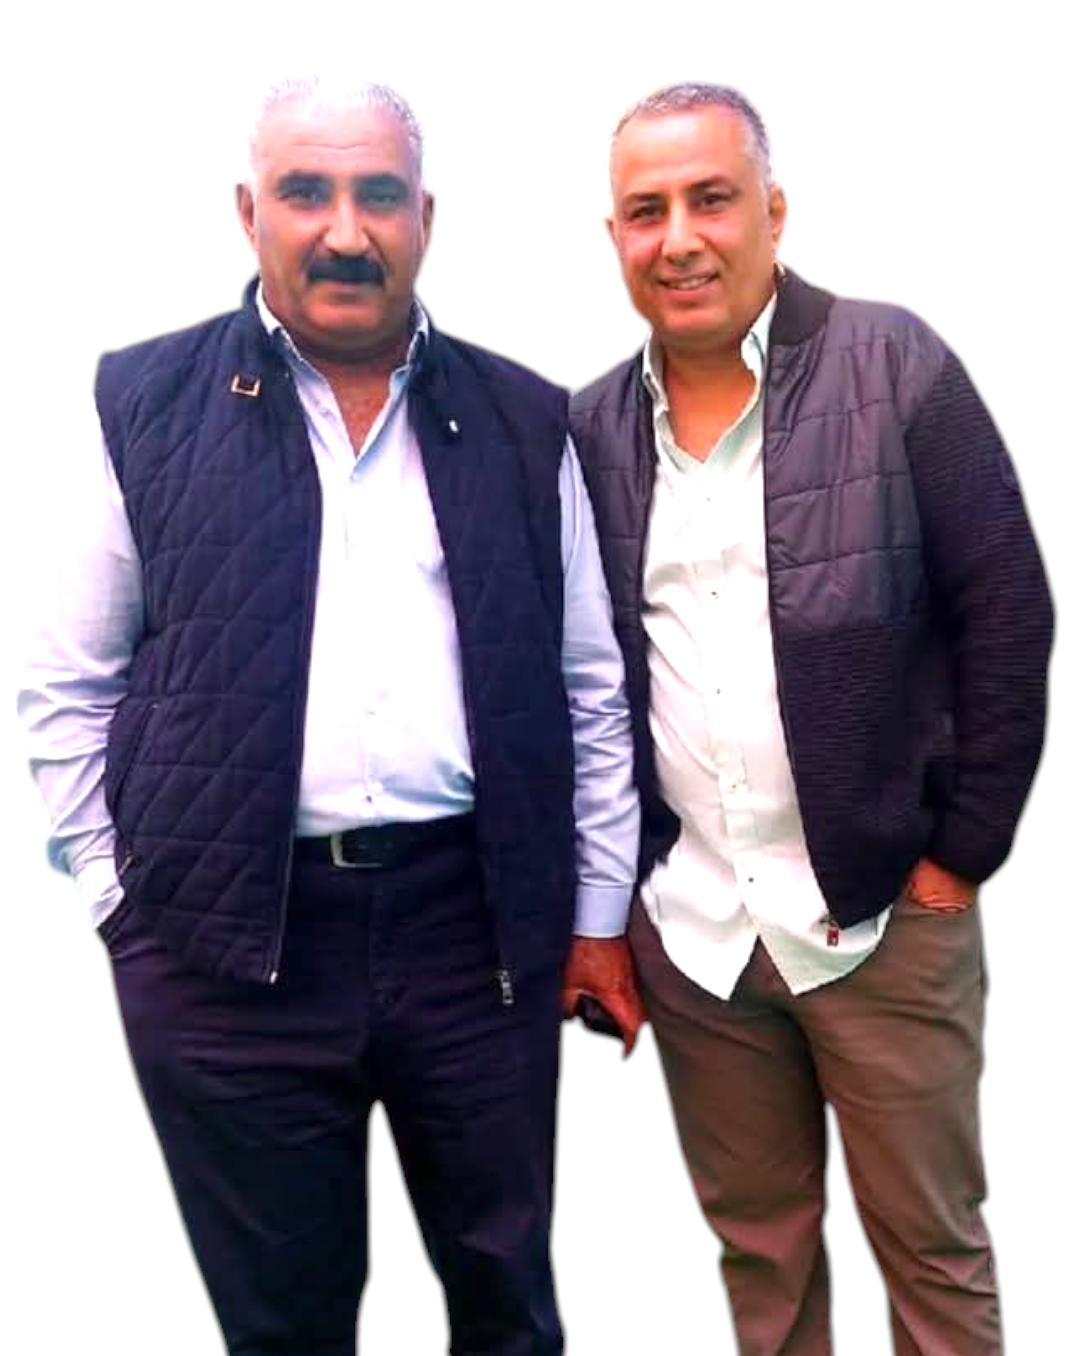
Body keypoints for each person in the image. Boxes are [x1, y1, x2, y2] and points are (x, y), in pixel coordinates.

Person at [18, 74, 643, 1356]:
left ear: (427, 218)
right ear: (249, 212)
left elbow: (589, 685)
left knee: (509, 1310)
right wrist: (124, 911)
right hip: (226, 954)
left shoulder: (527, 421)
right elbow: (68, 685)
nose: (345, 232)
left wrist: (593, 916)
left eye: (378, 197)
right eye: (306, 193)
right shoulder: (142, 406)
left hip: (472, 939)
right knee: (284, 1329)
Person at [570, 82, 1053, 1356]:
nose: (681, 238)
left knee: (934, 1259)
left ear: (773, 212)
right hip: (700, 941)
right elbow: (585, 686)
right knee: (763, 1262)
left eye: (712, 200)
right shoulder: (590, 432)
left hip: (884, 923)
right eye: (646, 211)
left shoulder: (894, 367)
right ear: (614, 238)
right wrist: (609, 907)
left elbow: (1007, 610)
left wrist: (961, 857)